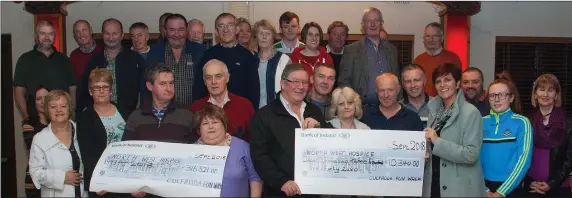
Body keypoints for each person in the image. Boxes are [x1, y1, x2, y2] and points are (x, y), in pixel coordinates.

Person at [250, 63, 331, 197]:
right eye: (295, 82)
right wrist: (282, 182)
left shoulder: (314, 111)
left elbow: (333, 143)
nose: (300, 87)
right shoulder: (264, 116)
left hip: (312, 191)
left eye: (305, 82)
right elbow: (259, 156)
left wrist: (320, 127)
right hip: (280, 191)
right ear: (283, 83)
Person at [423, 63, 485, 197]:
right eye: (438, 81)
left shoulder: (471, 113)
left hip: (459, 188)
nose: (442, 85)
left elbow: (471, 154)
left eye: (447, 80)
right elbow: (433, 147)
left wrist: (437, 141)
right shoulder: (434, 111)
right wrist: (426, 154)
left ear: (457, 84)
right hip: (434, 183)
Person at [77, 68, 130, 197]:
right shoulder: (85, 118)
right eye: (96, 88)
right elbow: (87, 155)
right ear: (90, 91)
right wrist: (100, 181)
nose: (101, 91)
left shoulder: (125, 112)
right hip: (101, 184)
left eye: (105, 87)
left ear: (111, 90)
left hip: (125, 180)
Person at [14, 20, 76, 130]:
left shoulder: (64, 60)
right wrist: (27, 118)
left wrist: (71, 115)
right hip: (35, 123)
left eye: (50, 34)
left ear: (54, 36)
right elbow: (19, 92)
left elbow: (72, 89)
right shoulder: (25, 60)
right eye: (43, 33)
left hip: (62, 121)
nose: (47, 37)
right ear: (36, 36)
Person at [78, 18, 143, 117]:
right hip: (99, 118)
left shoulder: (136, 59)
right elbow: (84, 93)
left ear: (122, 35)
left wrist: (138, 113)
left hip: (130, 118)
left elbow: (143, 90)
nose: (111, 38)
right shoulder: (93, 62)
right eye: (107, 34)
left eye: (115, 33)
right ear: (102, 35)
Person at [194, 104, 263, 197]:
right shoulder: (191, 150)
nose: (210, 127)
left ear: (224, 125)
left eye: (215, 122)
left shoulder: (242, 147)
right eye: (205, 123)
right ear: (199, 129)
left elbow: (255, 176)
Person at [29, 90, 87, 197]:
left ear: (69, 108)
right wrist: (62, 177)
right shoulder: (40, 139)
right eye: (53, 107)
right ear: (47, 110)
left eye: (63, 106)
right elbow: (35, 173)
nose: (58, 110)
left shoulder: (81, 131)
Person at [481, 79, 532, 197]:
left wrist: (502, 191)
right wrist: (484, 189)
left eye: (502, 95)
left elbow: (524, 159)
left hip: (512, 188)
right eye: (492, 95)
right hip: (483, 189)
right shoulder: (480, 122)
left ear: (511, 98)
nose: (497, 99)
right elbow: (472, 158)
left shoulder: (522, 122)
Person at [338, 7, 398, 106]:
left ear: (381, 23)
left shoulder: (392, 50)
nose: (373, 24)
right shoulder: (351, 50)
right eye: (368, 21)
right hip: (361, 109)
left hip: (389, 107)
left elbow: (397, 80)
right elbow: (344, 83)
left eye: (376, 20)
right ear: (362, 25)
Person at [122, 64, 198, 143]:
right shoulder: (136, 117)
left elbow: (196, 149)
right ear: (150, 86)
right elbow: (126, 150)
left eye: (171, 83)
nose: (169, 89)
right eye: (163, 84)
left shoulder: (187, 115)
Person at [524, 74, 572, 197]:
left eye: (550, 90)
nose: (545, 94)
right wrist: (528, 181)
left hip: (559, 188)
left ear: (556, 95)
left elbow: (569, 158)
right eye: (541, 89)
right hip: (532, 187)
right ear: (535, 94)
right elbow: (520, 155)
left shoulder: (567, 124)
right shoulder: (526, 122)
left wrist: (552, 183)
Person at [198, 13, 259, 107]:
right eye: (221, 26)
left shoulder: (247, 56)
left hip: (240, 112)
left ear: (237, 30)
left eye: (230, 25)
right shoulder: (208, 55)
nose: (225, 30)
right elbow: (199, 87)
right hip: (212, 113)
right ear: (217, 32)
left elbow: (254, 90)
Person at [145, 13, 207, 106]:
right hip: (165, 114)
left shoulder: (200, 51)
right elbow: (147, 84)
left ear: (186, 31)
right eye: (172, 30)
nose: (177, 34)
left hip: (195, 113)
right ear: (165, 31)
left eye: (181, 29)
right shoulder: (155, 52)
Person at [190, 59, 256, 142]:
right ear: (204, 81)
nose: (213, 82)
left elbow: (255, 140)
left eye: (218, 76)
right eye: (209, 77)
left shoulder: (245, 105)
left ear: (227, 78)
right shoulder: (196, 107)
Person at [414, 22, 462, 97]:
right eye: (427, 36)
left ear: (442, 38)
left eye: (435, 36)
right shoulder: (418, 60)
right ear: (424, 39)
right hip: (424, 104)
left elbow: (459, 86)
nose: (431, 39)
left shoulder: (453, 58)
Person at [252, 19, 291, 108]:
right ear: (256, 37)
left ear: (273, 37)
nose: (264, 37)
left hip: (278, 110)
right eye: (261, 33)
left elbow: (291, 88)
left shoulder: (284, 60)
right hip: (255, 111)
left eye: (268, 33)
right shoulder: (251, 60)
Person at [23, 87, 49, 197]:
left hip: (56, 180)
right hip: (34, 180)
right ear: (33, 102)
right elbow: (37, 149)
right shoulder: (28, 125)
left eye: (46, 98)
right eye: (39, 99)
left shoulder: (61, 123)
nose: (43, 102)